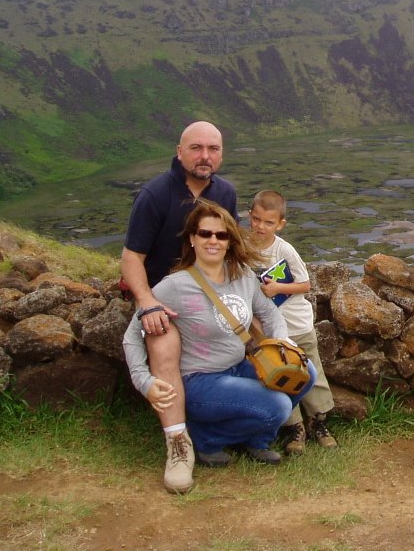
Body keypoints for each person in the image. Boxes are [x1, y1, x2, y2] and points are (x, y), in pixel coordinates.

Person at [123, 200, 315, 488]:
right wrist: (143, 380)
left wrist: (283, 342)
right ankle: (206, 438)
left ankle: (255, 440)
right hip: (202, 381)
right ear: (192, 238)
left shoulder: (241, 276)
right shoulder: (174, 286)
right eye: (205, 234)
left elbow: (269, 312)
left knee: (306, 373)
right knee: (276, 406)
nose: (213, 240)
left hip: (239, 366)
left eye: (221, 235)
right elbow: (132, 334)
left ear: (229, 241)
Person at [120, 121, 238, 493]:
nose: (205, 156)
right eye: (197, 148)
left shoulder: (226, 192)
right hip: (164, 300)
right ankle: (178, 444)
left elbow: (228, 246)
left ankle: (228, 424)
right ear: (179, 151)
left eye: (213, 149)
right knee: (164, 344)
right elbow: (131, 257)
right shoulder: (155, 194)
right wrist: (147, 303)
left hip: (209, 293)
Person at [246, 189, 339, 455]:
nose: (261, 226)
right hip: (268, 329)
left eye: (268, 222)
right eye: (256, 219)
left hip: (297, 324)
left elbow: (306, 284)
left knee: (312, 371)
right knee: (279, 374)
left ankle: (319, 422)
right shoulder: (245, 248)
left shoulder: (284, 249)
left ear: (280, 224)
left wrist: (278, 289)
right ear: (249, 217)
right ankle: (294, 427)